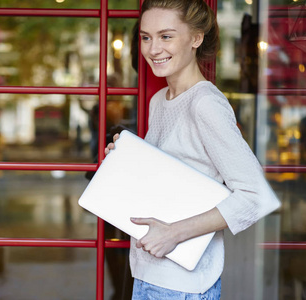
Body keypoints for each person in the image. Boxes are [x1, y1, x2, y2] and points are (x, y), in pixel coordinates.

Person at [104, 0, 281, 299]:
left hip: (184, 284)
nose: (153, 48)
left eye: (166, 36)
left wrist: (174, 233)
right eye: (146, 37)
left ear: (196, 38)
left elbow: (255, 196)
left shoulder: (205, 105)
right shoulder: (160, 100)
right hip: (147, 271)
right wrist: (125, 161)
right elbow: (168, 178)